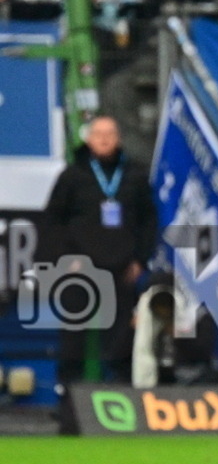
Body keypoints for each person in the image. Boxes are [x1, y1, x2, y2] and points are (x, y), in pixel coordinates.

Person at [38, 116, 157, 430]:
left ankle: (118, 407)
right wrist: (64, 260)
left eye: (110, 134)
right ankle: (68, 408)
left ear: (118, 139)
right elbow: (53, 222)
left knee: (119, 340)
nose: (104, 140)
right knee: (73, 340)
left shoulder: (134, 176)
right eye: (98, 135)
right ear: (89, 140)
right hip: (80, 269)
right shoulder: (72, 176)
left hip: (121, 271)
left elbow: (148, 222)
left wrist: (140, 261)